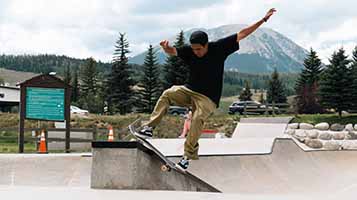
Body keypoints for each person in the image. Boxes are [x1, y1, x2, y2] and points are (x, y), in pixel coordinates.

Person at [138, 8, 277, 170]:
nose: (196, 52)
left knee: (197, 119)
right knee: (168, 94)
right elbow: (173, 51)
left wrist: (263, 20)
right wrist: (165, 48)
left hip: (208, 98)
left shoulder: (219, 48)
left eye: (199, 49)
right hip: (189, 91)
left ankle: (187, 157)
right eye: (194, 49)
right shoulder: (190, 50)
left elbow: (243, 33)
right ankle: (150, 127)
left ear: (206, 45)